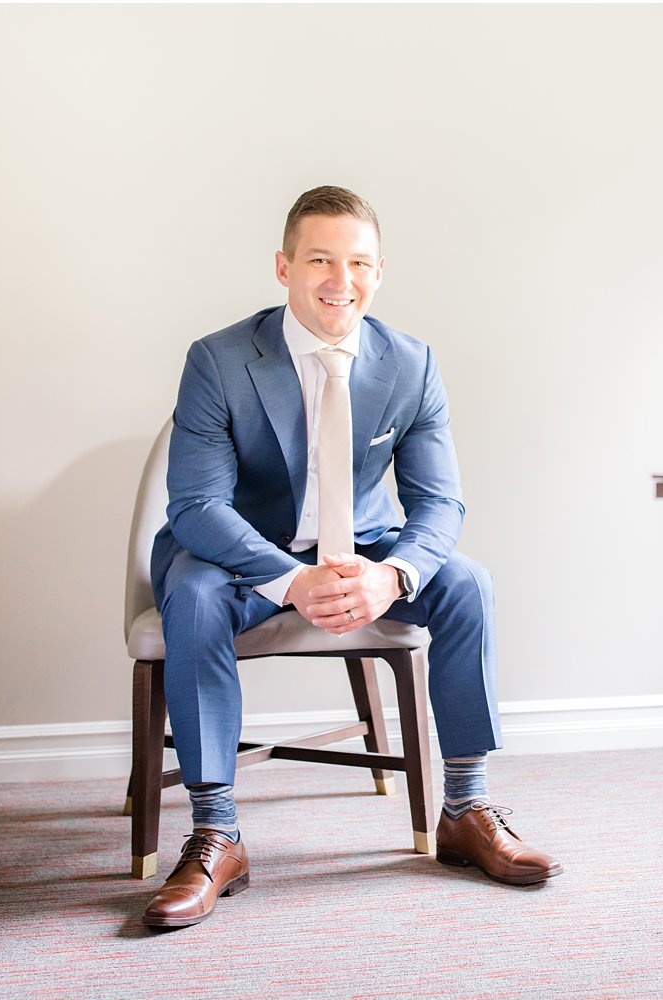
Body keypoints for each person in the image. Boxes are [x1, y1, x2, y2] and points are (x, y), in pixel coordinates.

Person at [142, 185, 562, 928]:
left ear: (379, 270)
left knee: (466, 581)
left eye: (359, 262)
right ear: (284, 266)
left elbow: (440, 503)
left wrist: (390, 574)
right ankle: (216, 830)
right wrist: (292, 578)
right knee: (195, 592)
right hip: (242, 557)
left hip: (362, 552)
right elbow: (196, 507)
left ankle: (465, 808)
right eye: (321, 260)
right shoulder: (219, 359)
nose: (341, 280)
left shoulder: (411, 363)